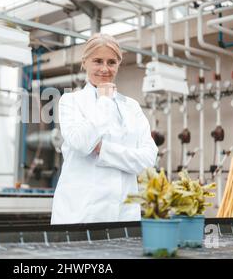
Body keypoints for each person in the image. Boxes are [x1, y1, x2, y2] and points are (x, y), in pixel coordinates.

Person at [51, 33, 158, 225]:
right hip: (81, 212)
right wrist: (105, 99)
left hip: (125, 212)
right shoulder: (71, 101)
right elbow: (81, 143)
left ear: (119, 64)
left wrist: (103, 150)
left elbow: (148, 160)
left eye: (111, 62)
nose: (105, 68)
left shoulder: (131, 106)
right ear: (85, 62)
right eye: (97, 61)